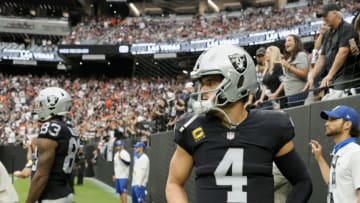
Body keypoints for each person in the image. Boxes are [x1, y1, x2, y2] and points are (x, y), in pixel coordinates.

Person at [165, 44, 312, 203]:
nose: (204, 89)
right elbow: (174, 183)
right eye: (202, 83)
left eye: (211, 82)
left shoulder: (270, 126)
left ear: (238, 81)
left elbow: (302, 182)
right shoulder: (192, 127)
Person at [25, 87, 80, 203]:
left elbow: (42, 175)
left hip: (51, 197)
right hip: (64, 192)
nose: (38, 108)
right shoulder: (69, 129)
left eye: (41, 104)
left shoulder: (50, 128)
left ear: (52, 105)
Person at [304, 3, 359, 91]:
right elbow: (322, 58)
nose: (324, 19)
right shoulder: (328, 33)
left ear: (335, 14)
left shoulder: (346, 28)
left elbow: (343, 53)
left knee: (338, 100)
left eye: (325, 15)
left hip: (347, 76)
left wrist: (330, 75)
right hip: (335, 77)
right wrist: (312, 77)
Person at [310, 105, 360, 203]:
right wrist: (319, 157)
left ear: (347, 124)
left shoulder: (355, 153)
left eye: (333, 119)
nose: (327, 124)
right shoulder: (340, 151)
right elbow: (332, 182)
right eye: (328, 120)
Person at [281, 34, 309, 107]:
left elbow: (304, 74)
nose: (286, 43)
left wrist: (288, 66)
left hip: (297, 94)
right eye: (286, 41)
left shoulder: (301, 55)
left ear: (296, 43)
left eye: (289, 40)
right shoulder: (290, 58)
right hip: (291, 94)